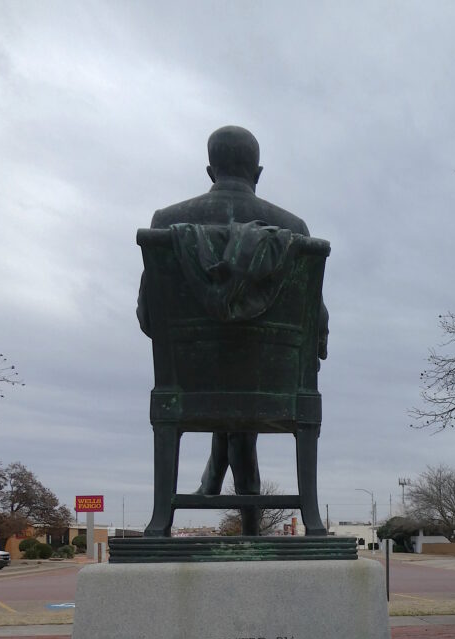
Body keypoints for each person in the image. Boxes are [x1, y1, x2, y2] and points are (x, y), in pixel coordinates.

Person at [136, 125, 328, 533]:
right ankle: (253, 521)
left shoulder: (167, 222)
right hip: (275, 386)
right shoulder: (292, 227)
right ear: (257, 173)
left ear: (211, 171)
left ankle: (190, 498)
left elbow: (148, 316)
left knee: (228, 384)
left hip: (190, 385)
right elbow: (317, 322)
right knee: (243, 388)